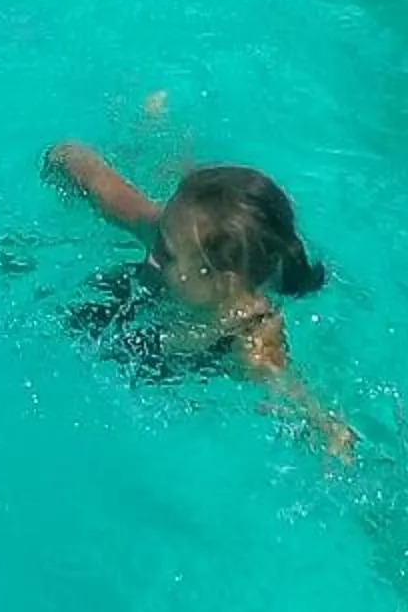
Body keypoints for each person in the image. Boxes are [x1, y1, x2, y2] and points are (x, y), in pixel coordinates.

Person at [43, 139, 357, 463]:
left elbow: (292, 393)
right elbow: (91, 175)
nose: (151, 255)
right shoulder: (166, 231)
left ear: (222, 282)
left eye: (167, 254)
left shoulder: (250, 334)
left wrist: (327, 430)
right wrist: (64, 158)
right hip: (117, 315)